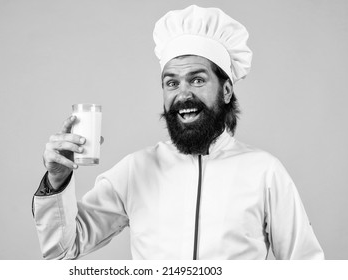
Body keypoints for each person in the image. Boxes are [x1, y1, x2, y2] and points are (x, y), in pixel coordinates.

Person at [32, 5, 324, 260]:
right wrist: (57, 180)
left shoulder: (265, 172)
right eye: (171, 83)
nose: (183, 94)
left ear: (226, 90)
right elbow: (62, 249)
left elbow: (306, 266)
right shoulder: (137, 170)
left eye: (197, 79)